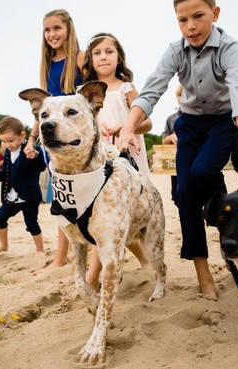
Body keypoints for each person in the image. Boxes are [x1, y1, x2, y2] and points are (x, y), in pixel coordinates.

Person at [118, 0, 238, 297]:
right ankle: (204, 274)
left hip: (222, 123)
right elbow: (152, 89)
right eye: (182, 20)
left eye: (198, 16)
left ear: (215, 13)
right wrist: (129, 127)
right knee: (185, 191)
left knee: (202, 173)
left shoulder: (230, 47)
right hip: (190, 124)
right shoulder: (175, 51)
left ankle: (231, 226)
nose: (190, 26)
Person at [80, 32, 153, 289]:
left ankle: (143, 263)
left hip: (128, 157)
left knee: (128, 216)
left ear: (119, 56)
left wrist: (127, 128)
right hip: (97, 164)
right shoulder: (83, 92)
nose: (103, 57)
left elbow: (147, 121)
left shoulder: (127, 88)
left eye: (109, 51)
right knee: (99, 217)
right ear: (90, 58)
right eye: (97, 52)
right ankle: (95, 275)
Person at [28, 9, 85, 275]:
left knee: (88, 198)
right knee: (62, 200)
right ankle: (61, 257)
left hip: (79, 141)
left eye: (56, 28)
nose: (52, 34)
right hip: (56, 143)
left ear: (68, 28)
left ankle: (92, 259)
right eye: (47, 30)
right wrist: (31, 139)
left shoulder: (81, 59)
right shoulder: (47, 65)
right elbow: (44, 111)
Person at [0, 116, 48, 256]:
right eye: (3, 141)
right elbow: (7, 172)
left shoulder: (33, 149)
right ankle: (4, 245)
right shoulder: (8, 152)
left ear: (22, 135)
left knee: (31, 223)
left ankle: (40, 249)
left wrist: (35, 156)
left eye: (10, 140)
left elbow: (41, 167)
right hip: (12, 196)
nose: (7, 144)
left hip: (29, 196)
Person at [162, 84, 183, 205]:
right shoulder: (171, 118)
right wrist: (171, 137)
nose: (182, 98)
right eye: (179, 95)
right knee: (176, 194)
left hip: (193, 157)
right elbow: (164, 139)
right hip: (174, 161)